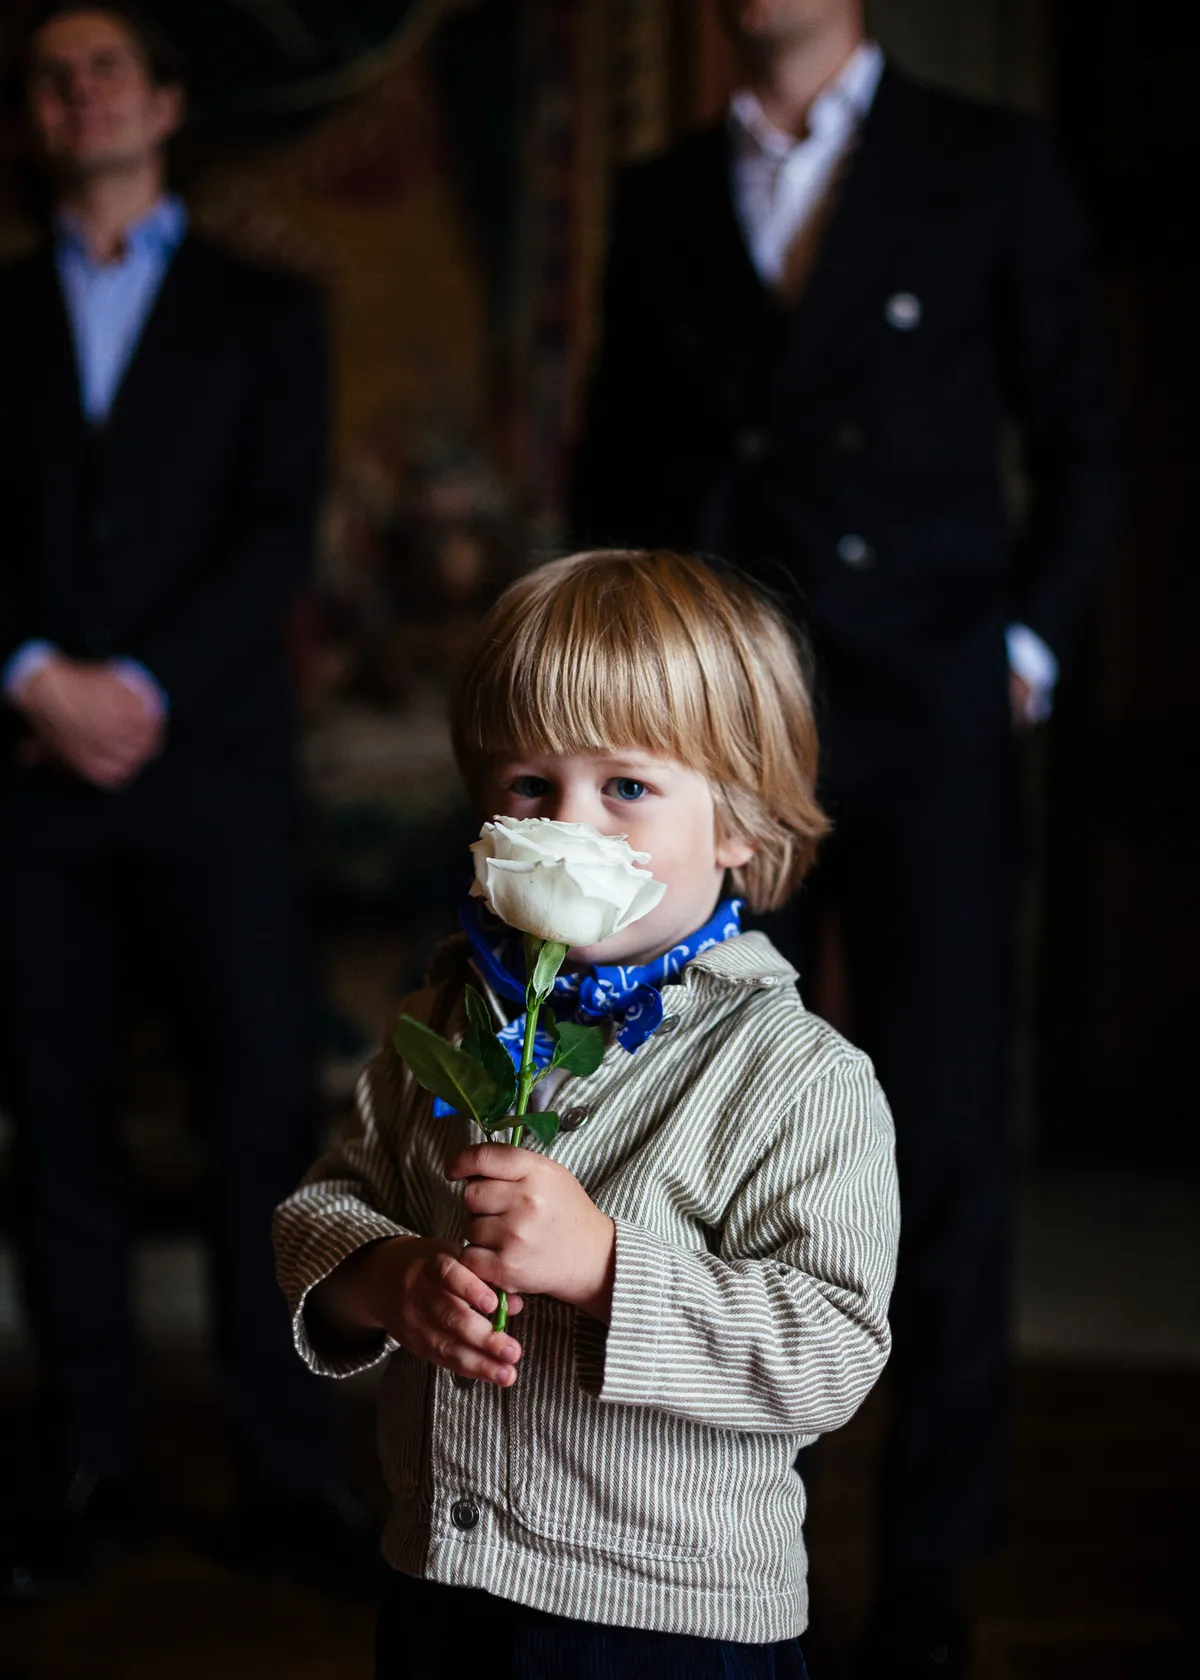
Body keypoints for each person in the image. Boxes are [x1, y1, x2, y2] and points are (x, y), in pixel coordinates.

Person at [572, 4, 1122, 1675]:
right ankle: (719, 1539)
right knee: (698, 1119)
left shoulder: (988, 162)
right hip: (719, 746)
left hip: (933, 722)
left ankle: (932, 1573)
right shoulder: (667, 189)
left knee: (940, 1143)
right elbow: (616, 461)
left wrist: (1022, 655)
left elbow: (1084, 435)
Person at [273, 548, 900, 1678]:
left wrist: (613, 1268)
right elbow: (328, 1199)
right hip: (442, 1580)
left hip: (673, 1622)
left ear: (738, 824)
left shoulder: (800, 1077)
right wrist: (388, 1277)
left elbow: (830, 1352)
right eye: (529, 787)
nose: (573, 823)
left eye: (626, 787)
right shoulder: (446, 1020)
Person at [0, 2, 371, 1595]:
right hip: (22, 779)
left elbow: (276, 531)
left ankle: (287, 1475)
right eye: (53, 76)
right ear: (35, 115)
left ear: (162, 100)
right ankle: (94, 1470)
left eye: (108, 70)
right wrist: (28, 672)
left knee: (255, 1126)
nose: (82, 97)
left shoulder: (266, 310)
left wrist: (138, 688)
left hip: (208, 774)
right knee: (56, 1127)